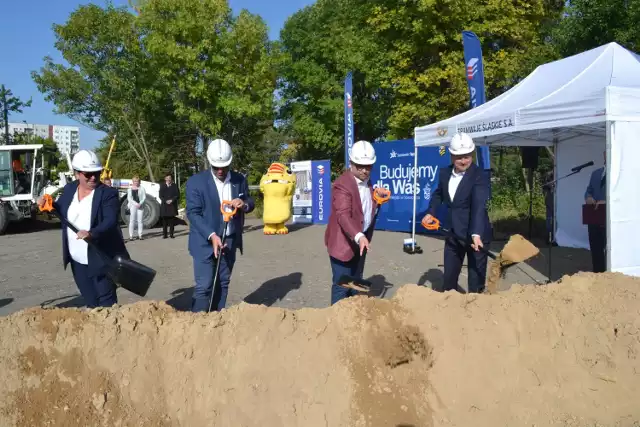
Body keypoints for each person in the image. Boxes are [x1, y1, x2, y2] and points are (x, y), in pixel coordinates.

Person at [37, 149, 128, 308]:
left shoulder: (108, 193)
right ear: (77, 173)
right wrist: (47, 205)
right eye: (88, 174)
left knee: (106, 304)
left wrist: (92, 233)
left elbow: (110, 220)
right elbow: (60, 210)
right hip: (77, 259)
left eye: (97, 173)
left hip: (100, 258)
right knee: (90, 301)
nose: (93, 177)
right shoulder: (70, 189)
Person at [186, 138, 254, 312]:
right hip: (204, 241)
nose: (221, 170)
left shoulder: (239, 179)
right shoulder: (196, 182)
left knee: (223, 281)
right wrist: (212, 235)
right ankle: (198, 322)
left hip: (229, 240)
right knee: (204, 285)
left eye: (225, 166)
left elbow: (249, 200)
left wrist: (244, 204)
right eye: (217, 167)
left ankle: (217, 319)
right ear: (210, 163)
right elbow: (193, 213)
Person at [423, 132, 491, 294]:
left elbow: (478, 206)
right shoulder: (444, 173)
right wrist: (431, 212)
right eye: (459, 157)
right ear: (452, 156)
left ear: (472, 154)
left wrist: (476, 233)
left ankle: (475, 312)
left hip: (477, 234)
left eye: (467, 156)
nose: (463, 161)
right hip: (453, 233)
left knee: (475, 282)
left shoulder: (479, 175)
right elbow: (438, 194)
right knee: (449, 280)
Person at [325, 140, 385, 305]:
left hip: (361, 241)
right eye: (360, 166)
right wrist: (359, 236)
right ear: (351, 163)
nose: (365, 170)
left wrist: (377, 196)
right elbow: (343, 215)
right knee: (341, 285)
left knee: (356, 282)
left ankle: (354, 319)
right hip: (343, 243)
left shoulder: (369, 183)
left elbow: (365, 205)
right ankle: (337, 322)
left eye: (368, 166)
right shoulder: (342, 185)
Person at [584, 150, 607, 273]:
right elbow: (589, 190)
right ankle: (598, 273)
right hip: (594, 216)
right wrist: (588, 197)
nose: (606, 154)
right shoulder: (595, 173)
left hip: (608, 217)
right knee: (596, 247)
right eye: (605, 152)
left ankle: (609, 274)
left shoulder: (619, 175)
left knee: (607, 249)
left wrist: (607, 202)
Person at [159, 172, 180, 239]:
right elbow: (160, 195)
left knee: (171, 221)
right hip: (164, 205)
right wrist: (165, 200)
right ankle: (165, 235)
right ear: (165, 179)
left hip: (172, 205)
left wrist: (172, 200)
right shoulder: (162, 185)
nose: (168, 179)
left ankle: (171, 234)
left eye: (170, 178)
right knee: (164, 221)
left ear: (171, 179)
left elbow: (177, 195)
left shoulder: (174, 185)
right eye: (167, 178)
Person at [127, 175, 146, 241]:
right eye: (134, 181)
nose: (136, 182)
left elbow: (144, 197)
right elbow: (129, 198)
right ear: (133, 181)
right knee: (132, 220)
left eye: (137, 181)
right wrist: (136, 204)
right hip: (133, 205)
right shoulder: (130, 189)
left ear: (139, 182)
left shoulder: (142, 188)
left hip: (140, 206)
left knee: (140, 221)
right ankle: (131, 236)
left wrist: (140, 203)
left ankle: (140, 235)